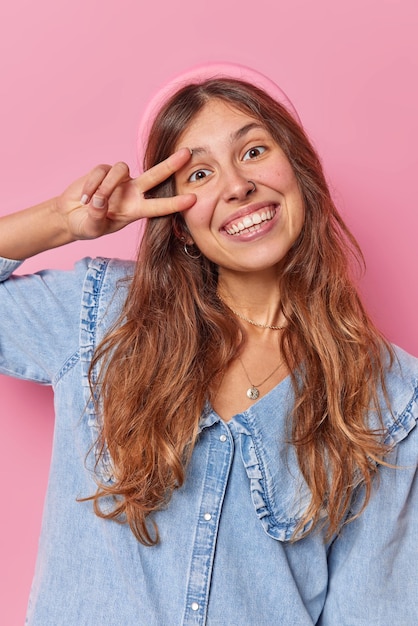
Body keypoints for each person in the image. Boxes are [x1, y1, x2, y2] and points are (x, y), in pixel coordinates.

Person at [1, 64, 417, 626]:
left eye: (252, 152)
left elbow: (373, 612)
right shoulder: (99, 314)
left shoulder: (392, 395)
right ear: (175, 221)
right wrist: (62, 221)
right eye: (198, 175)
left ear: (300, 170)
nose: (236, 186)